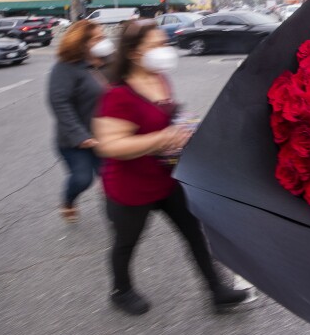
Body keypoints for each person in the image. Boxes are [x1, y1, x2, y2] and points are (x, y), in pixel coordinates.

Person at [92, 19, 251, 315]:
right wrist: (160, 138)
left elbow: (165, 114)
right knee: (126, 243)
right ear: (134, 53)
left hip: (167, 179)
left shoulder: (159, 77)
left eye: (164, 43)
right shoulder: (117, 95)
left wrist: (184, 124)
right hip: (130, 187)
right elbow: (110, 145)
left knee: (194, 233)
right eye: (155, 46)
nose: (164, 50)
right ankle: (121, 290)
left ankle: (217, 290)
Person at [48, 19, 114, 223]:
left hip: (105, 137)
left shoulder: (108, 63)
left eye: (103, 37)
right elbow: (59, 103)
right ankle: (68, 201)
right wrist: (80, 136)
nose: (103, 41)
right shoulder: (66, 68)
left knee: (111, 178)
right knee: (82, 179)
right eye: (98, 38)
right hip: (74, 140)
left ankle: (117, 218)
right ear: (83, 43)